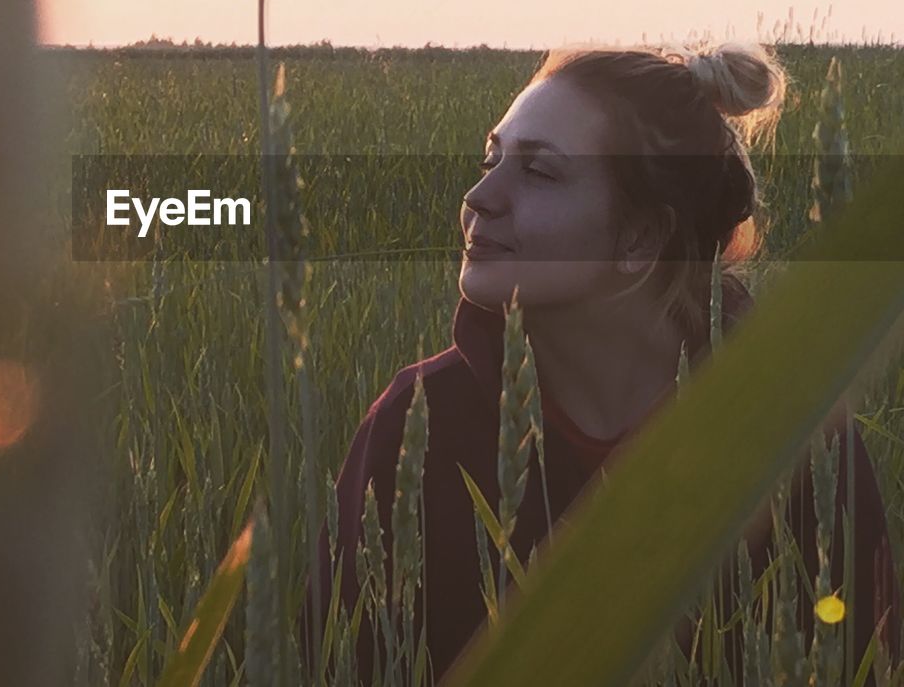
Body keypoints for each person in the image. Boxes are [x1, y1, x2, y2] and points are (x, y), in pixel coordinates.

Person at [301, 41, 900, 684]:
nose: (479, 196)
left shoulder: (793, 433)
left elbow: (862, 657)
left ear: (640, 237)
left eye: (539, 172)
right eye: (491, 158)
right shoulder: (419, 424)